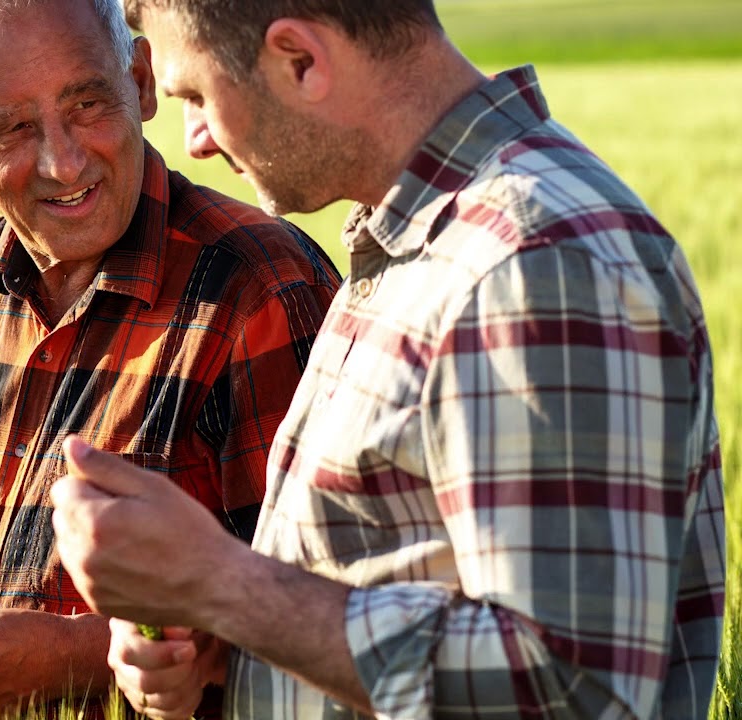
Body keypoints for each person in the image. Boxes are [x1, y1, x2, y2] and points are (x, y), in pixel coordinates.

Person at [51, 1, 728, 718]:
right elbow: (402, 579)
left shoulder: (534, 262)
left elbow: (568, 691)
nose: (194, 141)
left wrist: (223, 583)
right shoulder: (421, 242)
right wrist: (225, 640)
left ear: (299, 61)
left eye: (196, 95)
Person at [0, 0, 341, 714]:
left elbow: (330, 616)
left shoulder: (258, 292)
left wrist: (75, 660)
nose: (64, 160)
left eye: (88, 103)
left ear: (141, 83)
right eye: (12, 129)